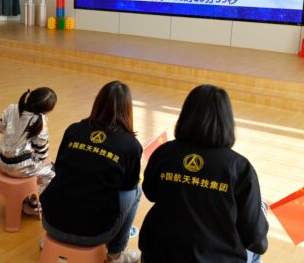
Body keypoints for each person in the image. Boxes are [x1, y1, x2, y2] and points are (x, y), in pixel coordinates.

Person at [139, 84, 268, 263]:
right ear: (227, 121)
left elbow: (150, 193)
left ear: (186, 115)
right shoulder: (239, 167)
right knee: (256, 253)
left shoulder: (165, 153)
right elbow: (256, 240)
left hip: (158, 254)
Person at [40, 81, 142, 263]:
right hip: (95, 234)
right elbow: (128, 186)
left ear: (98, 102)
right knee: (135, 191)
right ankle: (116, 253)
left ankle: (52, 243)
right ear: (128, 108)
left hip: (50, 222)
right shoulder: (131, 145)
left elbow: (60, 168)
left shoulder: (73, 130)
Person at [0, 87, 57, 215]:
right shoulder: (41, 122)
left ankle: (25, 195)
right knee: (51, 172)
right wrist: (41, 159)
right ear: (47, 110)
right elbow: (41, 153)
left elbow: (1, 128)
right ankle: (32, 203)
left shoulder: (11, 108)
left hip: (1, 161)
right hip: (20, 169)